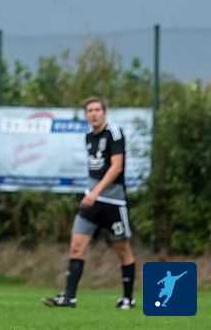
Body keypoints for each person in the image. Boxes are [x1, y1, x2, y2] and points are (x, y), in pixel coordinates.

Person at [43, 97, 136, 310]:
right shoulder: (88, 136)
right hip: (91, 201)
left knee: (122, 249)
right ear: (86, 115)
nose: (93, 114)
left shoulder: (114, 132)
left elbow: (116, 167)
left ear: (104, 112)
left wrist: (96, 192)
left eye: (97, 110)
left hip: (112, 201)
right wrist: (91, 193)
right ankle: (69, 297)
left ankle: (128, 299)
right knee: (76, 245)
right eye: (89, 111)